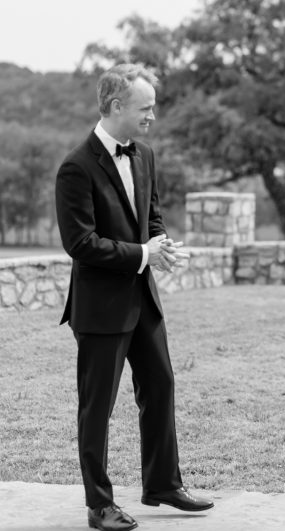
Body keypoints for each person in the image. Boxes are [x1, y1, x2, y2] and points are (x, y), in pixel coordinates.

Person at [55, 64, 213, 531]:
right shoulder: (75, 167)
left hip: (143, 299)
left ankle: (162, 484)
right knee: (97, 407)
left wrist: (160, 247)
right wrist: (141, 251)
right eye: (146, 108)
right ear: (116, 105)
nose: (152, 117)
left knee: (161, 386)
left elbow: (152, 215)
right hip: (100, 309)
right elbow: (80, 244)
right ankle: (99, 506)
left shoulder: (143, 154)